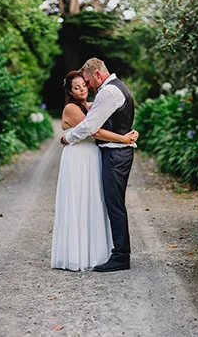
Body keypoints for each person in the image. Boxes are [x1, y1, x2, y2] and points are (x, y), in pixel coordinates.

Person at [51, 71, 138, 271]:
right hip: (78, 158)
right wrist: (124, 138)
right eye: (76, 87)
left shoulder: (94, 104)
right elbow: (95, 131)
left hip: (93, 156)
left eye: (84, 85)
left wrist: (129, 131)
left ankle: (96, 252)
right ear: (70, 92)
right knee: (80, 202)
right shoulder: (72, 108)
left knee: (94, 203)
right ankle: (77, 254)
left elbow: (114, 120)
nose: (82, 90)